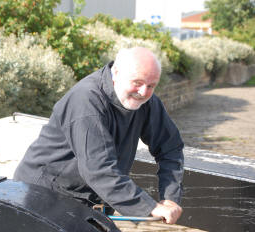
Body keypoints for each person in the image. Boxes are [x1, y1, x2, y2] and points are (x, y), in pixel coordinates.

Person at [14, 47, 184, 224]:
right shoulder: (86, 101)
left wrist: (170, 197)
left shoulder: (147, 101)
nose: (143, 92)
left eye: (151, 86)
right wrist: (149, 208)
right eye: (137, 82)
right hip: (45, 196)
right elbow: (98, 169)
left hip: (94, 198)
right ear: (116, 73)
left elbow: (170, 147)